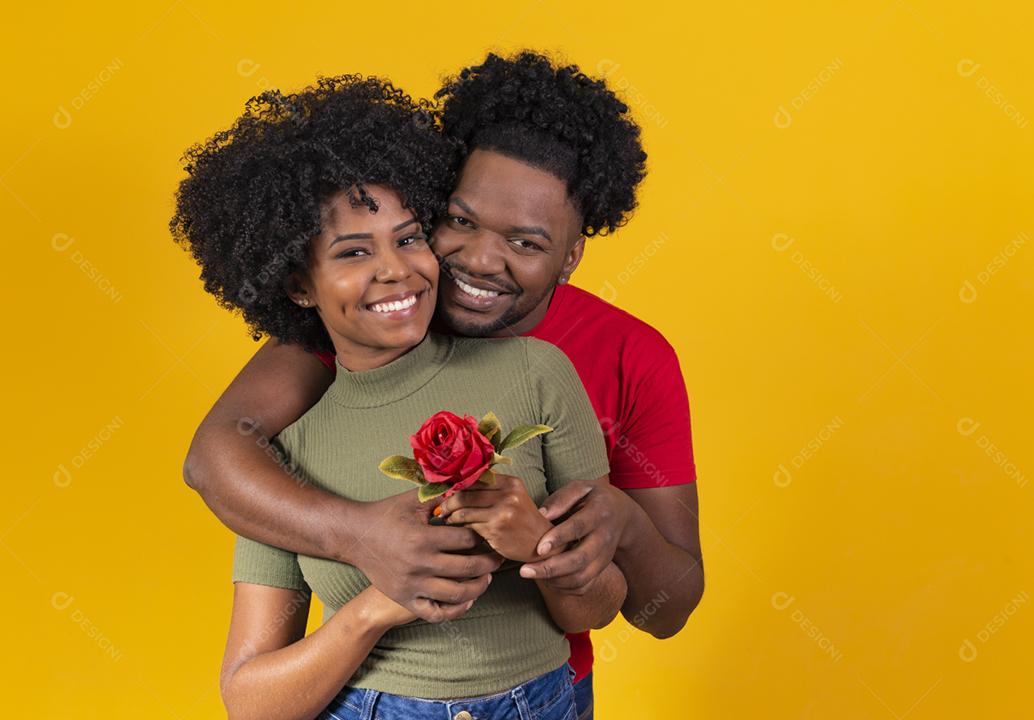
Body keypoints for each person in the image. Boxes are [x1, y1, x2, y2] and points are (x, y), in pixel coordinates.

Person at [183, 52, 704, 720]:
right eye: (458, 221)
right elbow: (217, 457)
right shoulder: (349, 334)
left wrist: (615, 525)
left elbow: (665, 611)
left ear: (571, 254)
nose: (479, 261)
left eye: (526, 242)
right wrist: (362, 544)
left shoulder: (614, 358)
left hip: (542, 690)